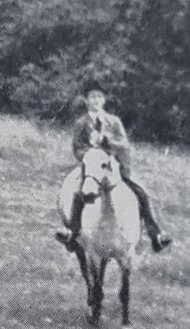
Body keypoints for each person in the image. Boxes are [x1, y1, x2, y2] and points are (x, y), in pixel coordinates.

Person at [55, 86, 172, 254]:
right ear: (87, 101)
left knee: (141, 192)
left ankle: (156, 234)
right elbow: (77, 148)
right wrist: (89, 155)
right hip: (91, 166)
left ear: (104, 100)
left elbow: (124, 144)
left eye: (99, 97)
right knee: (76, 191)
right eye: (92, 97)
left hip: (112, 166)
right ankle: (71, 232)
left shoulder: (114, 121)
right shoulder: (81, 123)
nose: (95, 100)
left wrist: (107, 141)